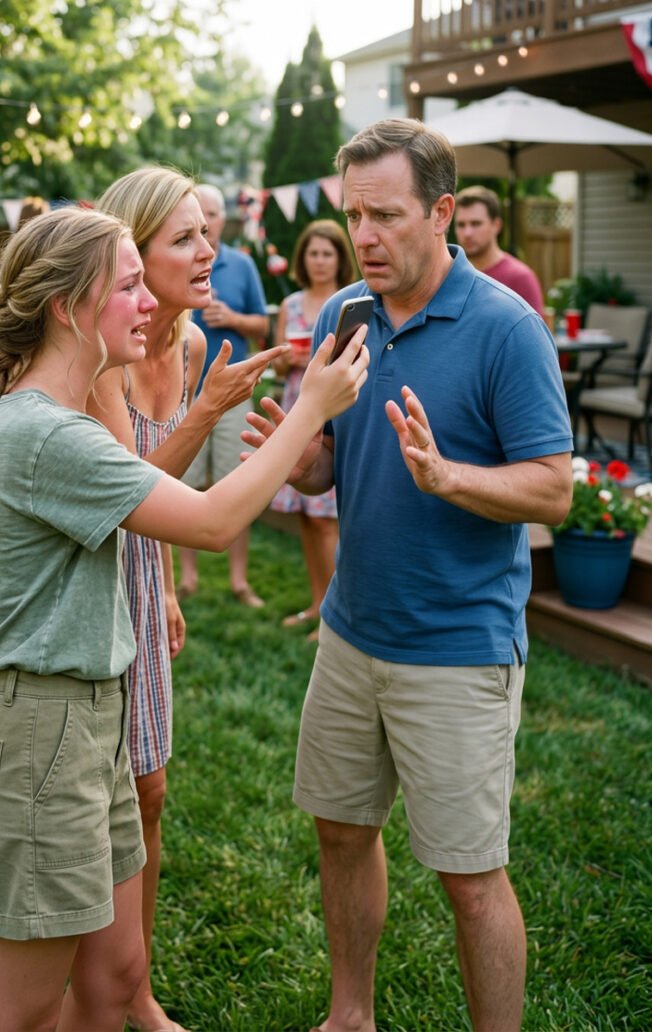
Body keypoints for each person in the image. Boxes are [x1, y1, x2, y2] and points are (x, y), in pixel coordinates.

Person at [0, 206, 368, 1032]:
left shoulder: (56, 422)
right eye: (129, 286)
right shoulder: (45, 434)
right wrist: (312, 409)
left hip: (90, 724)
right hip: (38, 740)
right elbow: (210, 521)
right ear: (69, 308)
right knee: (20, 1011)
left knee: (117, 976)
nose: (147, 302)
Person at [242, 119, 573, 1032]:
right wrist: (301, 460)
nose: (365, 236)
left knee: (470, 878)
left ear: (441, 212)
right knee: (342, 833)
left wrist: (449, 476)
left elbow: (553, 489)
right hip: (351, 631)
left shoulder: (508, 329)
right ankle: (350, 1016)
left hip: (458, 645)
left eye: (385, 215)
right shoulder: (346, 315)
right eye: (355, 215)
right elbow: (332, 465)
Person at [89, 166, 289, 1032]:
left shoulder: (197, 344)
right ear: (134, 256)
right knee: (95, 800)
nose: (208, 250)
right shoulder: (104, 353)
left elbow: (156, 513)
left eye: (206, 232)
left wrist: (166, 585)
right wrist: (206, 415)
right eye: (184, 238)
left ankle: (133, 990)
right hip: (87, 585)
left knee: (151, 792)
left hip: (141, 576)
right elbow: (123, 496)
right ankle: (90, 982)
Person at [178, 184, 271, 608]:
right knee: (183, 487)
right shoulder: (177, 261)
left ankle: (239, 580)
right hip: (184, 393)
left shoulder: (242, 264)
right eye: (199, 215)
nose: (207, 223)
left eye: (212, 215)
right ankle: (187, 578)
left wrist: (232, 317)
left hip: (234, 394)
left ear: (222, 219)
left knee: (237, 485)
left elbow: (264, 326)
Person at [269, 220, 355, 642]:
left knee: (325, 520)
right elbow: (276, 363)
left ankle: (334, 616)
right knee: (306, 515)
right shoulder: (290, 304)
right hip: (294, 404)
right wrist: (287, 360)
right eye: (313, 253)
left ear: (340, 259)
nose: (319, 261)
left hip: (330, 413)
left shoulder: (351, 303)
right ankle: (316, 602)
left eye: (327, 253)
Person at [453, 185, 545, 314]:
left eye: (476, 224)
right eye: (461, 225)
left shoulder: (520, 278)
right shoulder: (451, 276)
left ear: (496, 225)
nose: (467, 233)